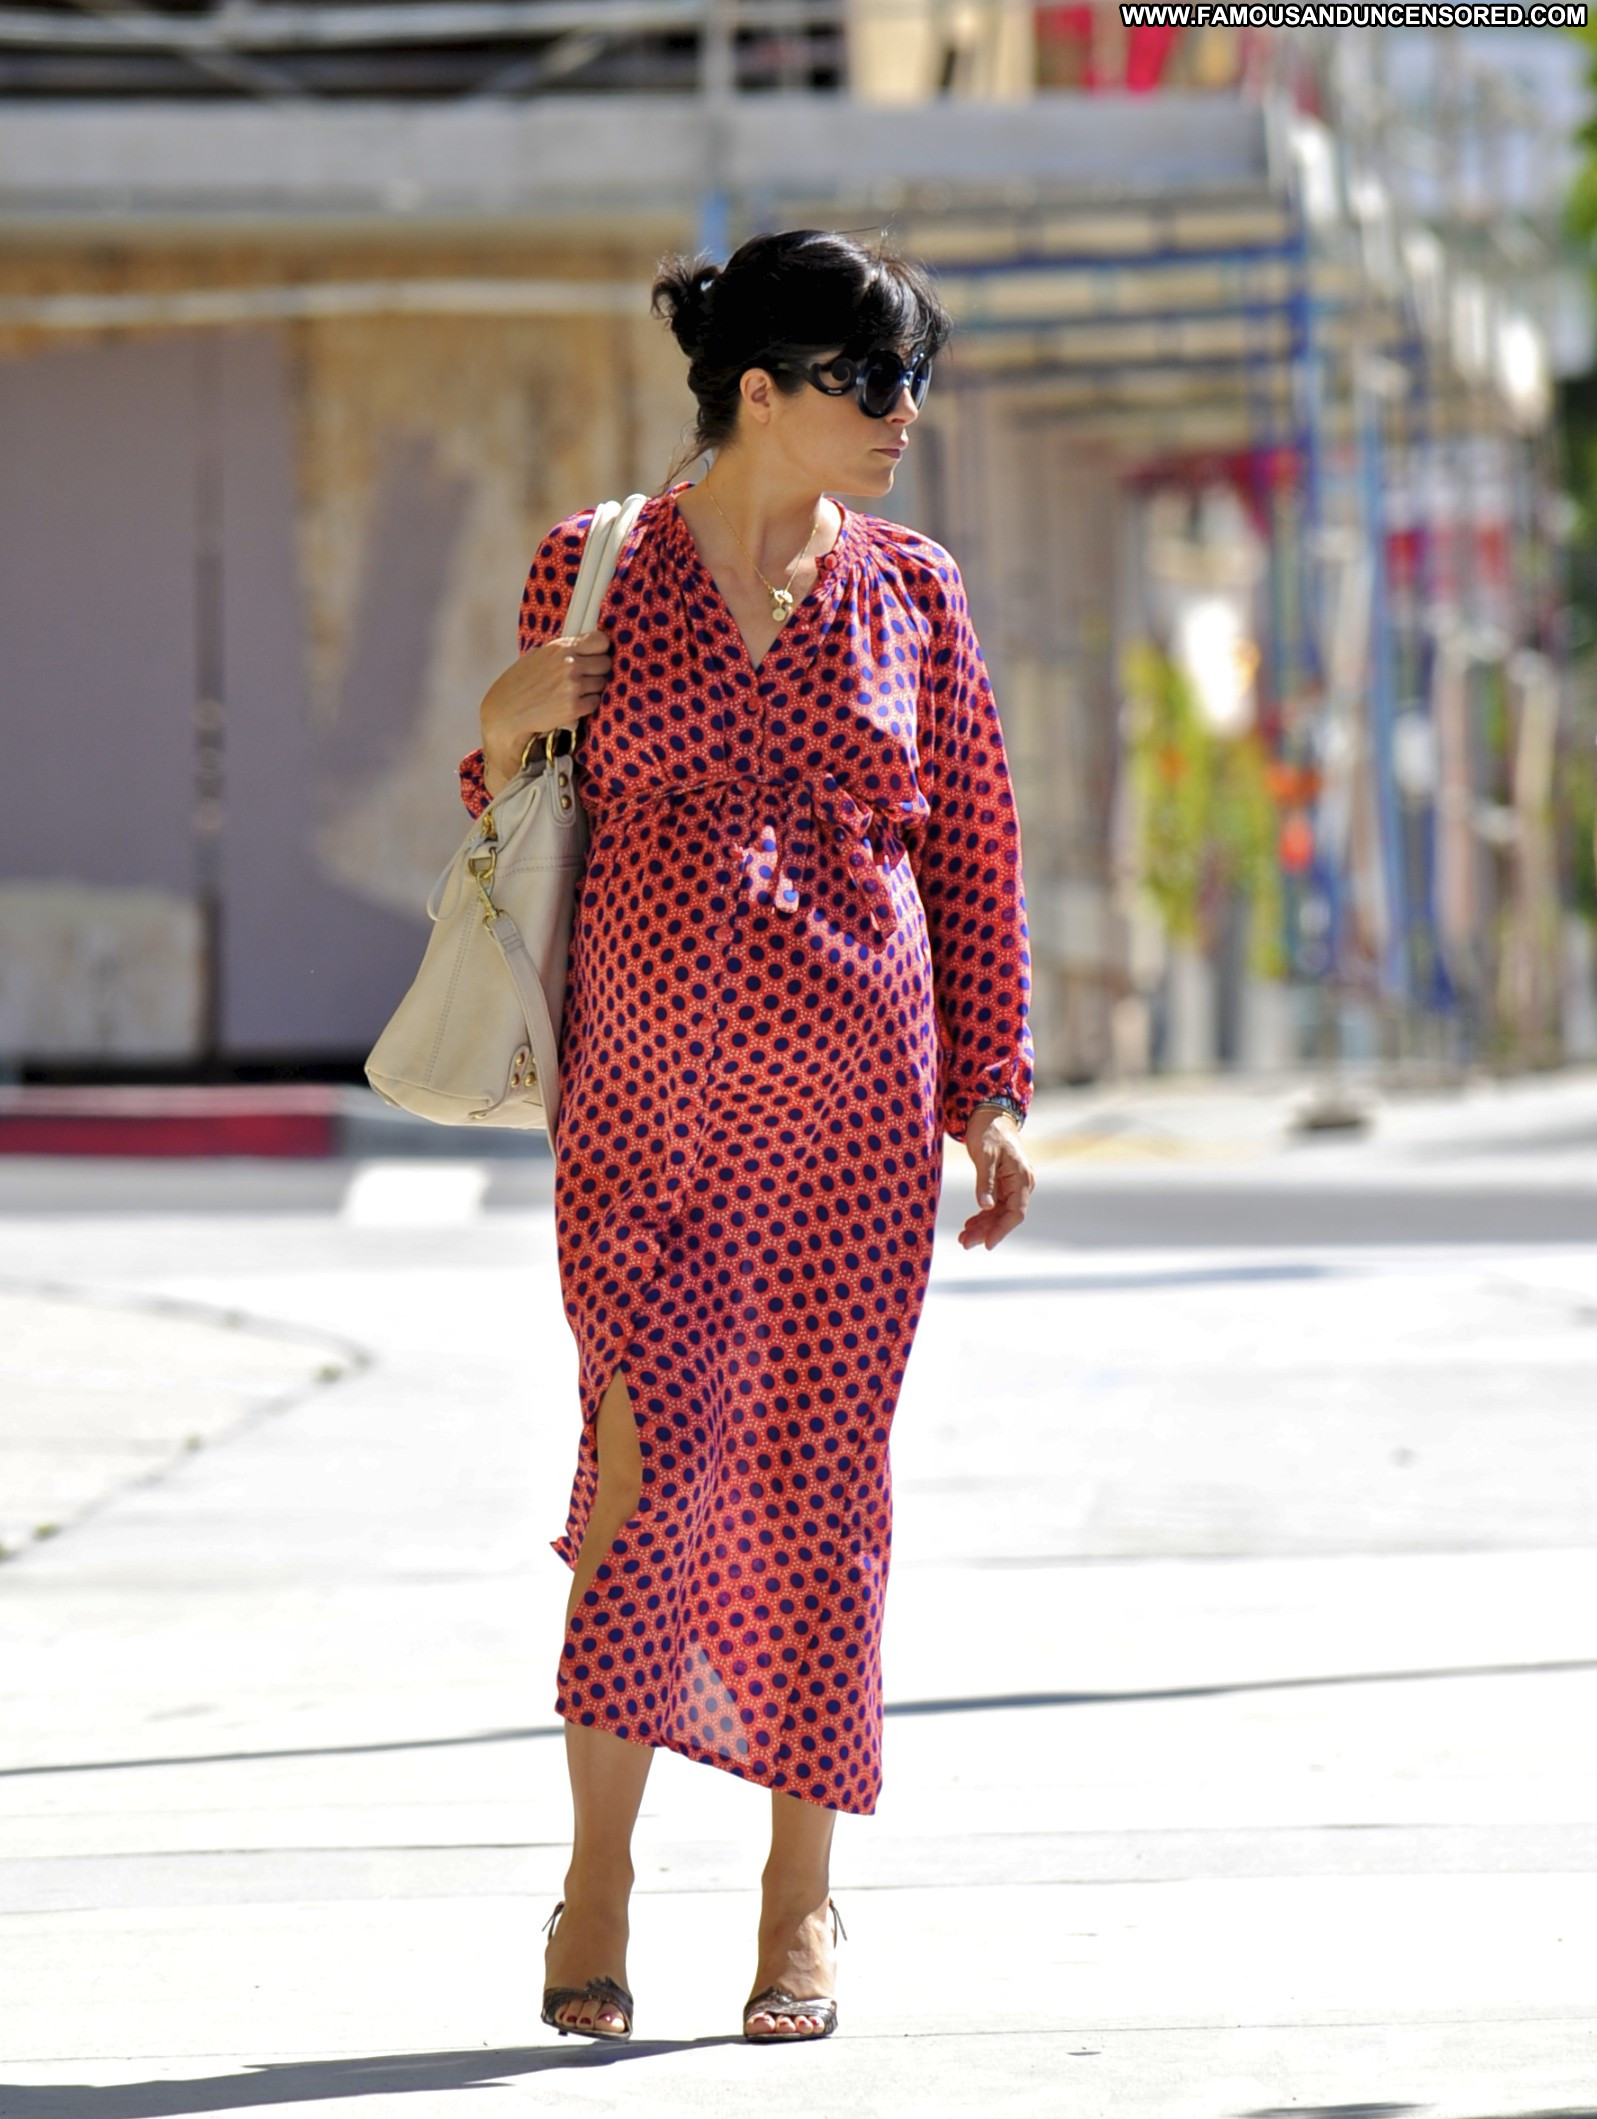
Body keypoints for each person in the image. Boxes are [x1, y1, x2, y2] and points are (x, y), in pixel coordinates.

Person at [459, 226, 1036, 2047]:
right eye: (871, 380)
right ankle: (599, 1882)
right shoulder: (598, 562)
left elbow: (974, 853)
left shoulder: (914, 589)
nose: (903, 413)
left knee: (817, 1495)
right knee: (642, 1477)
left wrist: (992, 1093)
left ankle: (801, 1905)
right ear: (763, 392)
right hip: (641, 1125)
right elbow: (511, 806)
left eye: (915, 380)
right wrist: (498, 722)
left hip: (857, 1128)